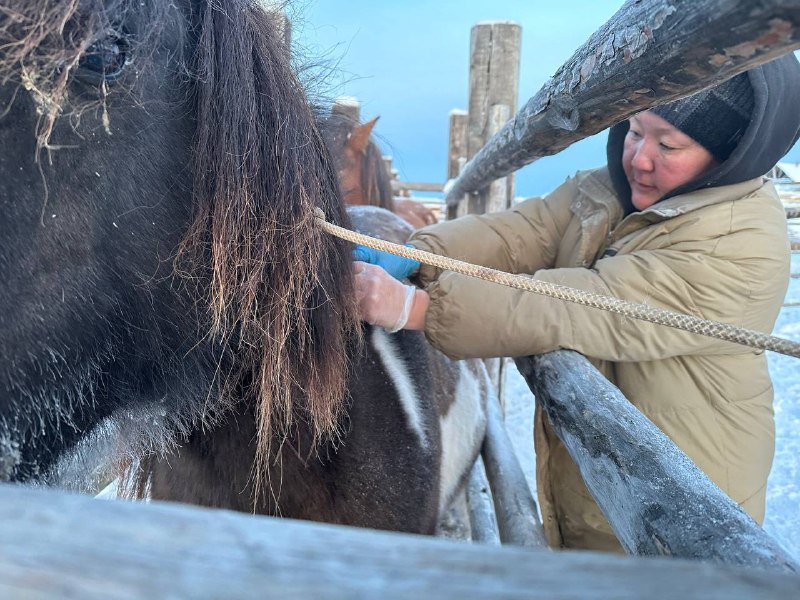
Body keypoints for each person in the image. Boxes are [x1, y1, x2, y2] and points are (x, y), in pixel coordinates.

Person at [352, 53, 800, 551]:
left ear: (732, 155)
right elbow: (518, 233)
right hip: (601, 478)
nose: (640, 158)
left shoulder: (736, 241)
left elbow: (588, 305)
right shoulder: (607, 188)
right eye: (634, 131)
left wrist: (418, 309)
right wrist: (413, 253)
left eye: (669, 144)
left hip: (688, 504)